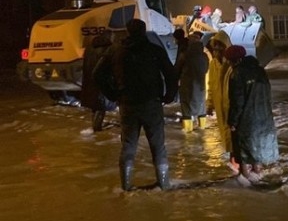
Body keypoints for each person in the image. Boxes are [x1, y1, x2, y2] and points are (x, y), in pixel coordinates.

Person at [94, 18, 178, 191]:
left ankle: (126, 187)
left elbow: (97, 74)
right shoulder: (154, 50)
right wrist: (169, 96)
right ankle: (164, 185)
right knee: (158, 145)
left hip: (128, 104)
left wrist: (113, 94)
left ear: (127, 31)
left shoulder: (115, 51)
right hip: (152, 103)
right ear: (144, 30)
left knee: (128, 145)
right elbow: (171, 73)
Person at [226, 45, 279, 184]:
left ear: (233, 60)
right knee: (257, 151)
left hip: (247, 119)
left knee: (243, 152)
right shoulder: (260, 71)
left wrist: (233, 121)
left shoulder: (236, 74)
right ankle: (258, 176)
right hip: (264, 117)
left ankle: (246, 181)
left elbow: (237, 101)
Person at [205, 31, 239, 173]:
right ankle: (234, 166)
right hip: (220, 107)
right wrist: (209, 105)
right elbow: (211, 86)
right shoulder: (213, 64)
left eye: (220, 46)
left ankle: (237, 166)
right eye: (215, 47)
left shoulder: (231, 65)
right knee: (226, 137)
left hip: (231, 106)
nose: (217, 50)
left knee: (234, 137)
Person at [81, 30, 117, 132]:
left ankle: (96, 125)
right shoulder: (108, 48)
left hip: (89, 79)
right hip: (102, 79)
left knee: (95, 105)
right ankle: (97, 127)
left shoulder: (90, 47)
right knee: (101, 105)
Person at [176, 31, 209, 132]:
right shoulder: (204, 56)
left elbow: (177, 69)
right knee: (201, 106)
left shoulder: (185, 55)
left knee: (186, 108)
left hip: (187, 85)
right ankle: (202, 129)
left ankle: (188, 132)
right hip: (201, 86)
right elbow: (206, 69)